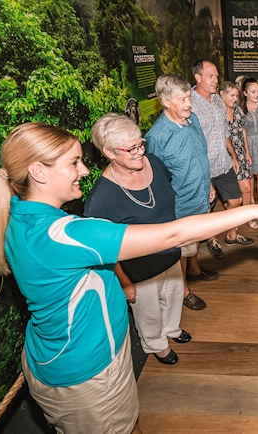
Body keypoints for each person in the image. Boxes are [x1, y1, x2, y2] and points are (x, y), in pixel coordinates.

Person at [0, 122, 258, 434]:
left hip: (58, 357)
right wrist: (252, 211)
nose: (83, 170)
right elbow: (172, 234)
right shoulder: (65, 235)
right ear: (39, 172)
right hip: (89, 368)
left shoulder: (18, 215)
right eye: (74, 162)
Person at [84, 113, 188, 365]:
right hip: (139, 271)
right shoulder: (100, 199)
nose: (140, 152)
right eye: (131, 149)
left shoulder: (153, 162)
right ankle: (157, 344)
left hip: (170, 255)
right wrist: (125, 282)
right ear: (109, 153)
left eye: (141, 143)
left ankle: (172, 329)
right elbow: (104, 252)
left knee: (173, 299)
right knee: (149, 313)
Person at [144, 74, 213, 311]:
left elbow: (200, 156)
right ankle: (184, 292)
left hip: (201, 196)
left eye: (189, 97)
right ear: (165, 101)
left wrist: (209, 185)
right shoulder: (157, 137)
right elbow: (156, 180)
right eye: (182, 99)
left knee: (193, 245)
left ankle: (194, 270)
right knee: (182, 251)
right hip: (180, 207)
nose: (189, 104)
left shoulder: (192, 119)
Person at [191, 59, 255, 254]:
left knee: (235, 201)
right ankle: (211, 239)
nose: (215, 80)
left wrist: (234, 156)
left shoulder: (218, 100)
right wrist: (206, 179)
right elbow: (193, 143)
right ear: (198, 77)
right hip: (205, 167)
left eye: (217, 76)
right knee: (207, 208)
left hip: (224, 163)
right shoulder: (191, 105)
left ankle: (231, 235)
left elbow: (224, 133)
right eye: (211, 76)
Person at [219, 81, 257, 229]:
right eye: (232, 95)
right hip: (224, 156)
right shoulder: (216, 113)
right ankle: (231, 221)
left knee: (246, 188)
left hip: (240, 154)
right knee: (230, 195)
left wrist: (247, 152)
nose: (235, 99)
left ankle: (245, 218)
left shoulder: (237, 110)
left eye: (236, 95)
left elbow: (243, 131)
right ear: (222, 94)